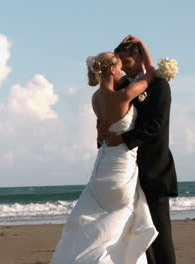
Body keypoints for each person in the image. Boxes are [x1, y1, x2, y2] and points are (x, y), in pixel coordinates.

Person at [50, 35, 158, 263]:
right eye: (119, 67)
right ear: (111, 70)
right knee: (118, 227)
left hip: (102, 164)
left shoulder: (95, 98)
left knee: (101, 225)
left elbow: (103, 131)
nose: (123, 72)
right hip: (121, 167)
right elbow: (151, 73)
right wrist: (142, 45)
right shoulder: (123, 96)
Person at [103, 37, 178, 264]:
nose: (123, 67)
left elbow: (156, 125)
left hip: (155, 166)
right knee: (137, 230)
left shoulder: (159, 85)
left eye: (126, 61)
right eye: (120, 62)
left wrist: (123, 139)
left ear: (138, 60)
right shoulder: (124, 87)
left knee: (159, 231)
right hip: (128, 170)